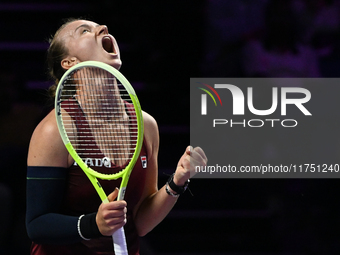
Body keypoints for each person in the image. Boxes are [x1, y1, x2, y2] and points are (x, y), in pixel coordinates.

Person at [26, 18, 207, 255]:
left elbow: (140, 222)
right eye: (84, 31)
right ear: (69, 62)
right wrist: (94, 224)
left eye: (100, 26)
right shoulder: (56, 130)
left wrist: (177, 182)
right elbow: (37, 225)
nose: (103, 28)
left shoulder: (145, 125)